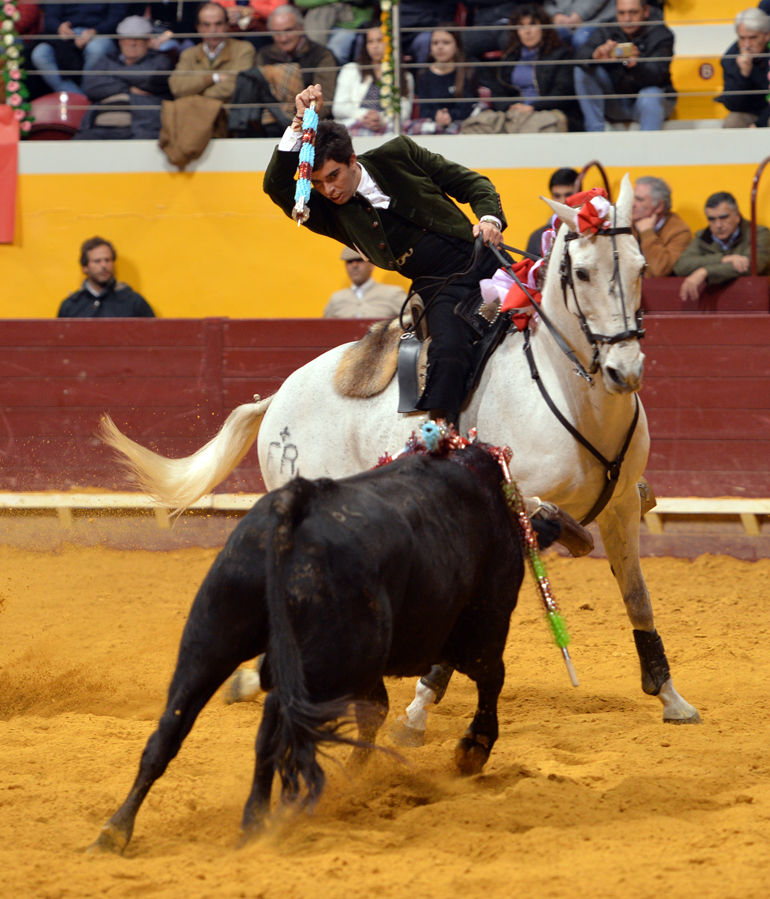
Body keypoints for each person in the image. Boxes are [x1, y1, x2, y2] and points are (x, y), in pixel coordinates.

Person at [264, 82, 508, 427]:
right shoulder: (325, 212)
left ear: (352, 160)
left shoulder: (399, 153)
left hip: (484, 256)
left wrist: (488, 219)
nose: (328, 189)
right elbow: (275, 185)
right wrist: (298, 125)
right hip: (438, 286)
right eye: (318, 183)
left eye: (333, 176)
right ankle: (444, 439)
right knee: (449, 353)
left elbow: (472, 184)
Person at [228, 5, 338, 135]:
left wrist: (298, 118)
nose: (283, 38)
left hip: (309, 127)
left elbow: (324, 101)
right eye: (277, 33)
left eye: (288, 31)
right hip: (268, 127)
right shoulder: (265, 54)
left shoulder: (321, 55)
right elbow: (258, 91)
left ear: (300, 27)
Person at [573, 0, 676, 132]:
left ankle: (649, 149)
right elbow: (579, 56)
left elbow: (657, 76)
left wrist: (636, 65)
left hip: (650, 100)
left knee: (651, 94)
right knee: (582, 71)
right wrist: (595, 55)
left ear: (646, 11)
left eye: (633, 12)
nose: (627, 19)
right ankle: (595, 134)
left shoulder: (661, 34)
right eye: (621, 13)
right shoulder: (607, 28)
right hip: (617, 100)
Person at [484, 4, 583, 133]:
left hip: (547, 113)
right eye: (521, 26)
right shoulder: (510, 56)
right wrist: (511, 107)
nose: (527, 31)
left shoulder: (560, 54)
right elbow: (498, 94)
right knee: (477, 124)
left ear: (544, 27)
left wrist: (531, 107)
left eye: (532, 24)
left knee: (531, 128)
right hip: (515, 113)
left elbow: (562, 94)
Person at [75, 16, 173, 140]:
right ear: (120, 41)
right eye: (127, 38)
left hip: (143, 127)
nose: (132, 43)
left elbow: (150, 78)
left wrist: (110, 74)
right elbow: (90, 86)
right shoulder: (106, 60)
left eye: (138, 39)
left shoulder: (159, 61)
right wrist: (130, 89)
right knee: (79, 143)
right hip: (99, 127)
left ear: (148, 41)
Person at [168, 2, 256, 136]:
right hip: (193, 125)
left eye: (218, 24)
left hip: (229, 124)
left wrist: (194, 97)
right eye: (207, 25)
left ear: (227, 25)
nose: (213, 30)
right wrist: (214, 78)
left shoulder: (244, 49)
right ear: (198, 28)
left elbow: (237, 85)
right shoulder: (189, 54)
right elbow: (176, 86)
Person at [673, 192, 770, 301]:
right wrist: (722, 259)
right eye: (712, 219)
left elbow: (752, 265)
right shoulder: (704, 237)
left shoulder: (758, 233)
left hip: (755, 301)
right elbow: (681, 266)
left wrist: (705, 272)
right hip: (715, 304)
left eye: (724, 217)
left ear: (737, 216)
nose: (718, 225)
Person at [331, 23, 414, 136]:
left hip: (387, 128)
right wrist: (364, 115)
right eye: (370, 41)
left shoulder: (404, 76)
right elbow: (338, 108)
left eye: (380, 40)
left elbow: (404, 113)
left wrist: (381, 118)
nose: (375, 46)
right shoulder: (351, 70)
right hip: (356, 125)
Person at [30, 2, 127, 96]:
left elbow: (116, 18)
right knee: (40, 54)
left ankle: (91, 92)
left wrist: (95, 31)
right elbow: (50, 18)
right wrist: (59, 27)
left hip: (100, 33)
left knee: (96, 49)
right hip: (67, 35)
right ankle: (80, 99)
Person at [58, 238, 155, 318]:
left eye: (108, 260)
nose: (104, 265)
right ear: (85, 268)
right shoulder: (71, 306)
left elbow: (154, 337)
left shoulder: (133, 302)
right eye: (97, 261)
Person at [407, 26, 473, 134]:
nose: (440, 47)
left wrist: (450, 115)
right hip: (432, 124)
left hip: (459, 123)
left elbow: (466, 107)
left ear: (457, 47)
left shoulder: (466, 73)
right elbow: (424, 109)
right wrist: (437, 116)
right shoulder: (423, 76)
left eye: (446, 43)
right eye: (435, 43)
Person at [716, 8, 770, 128]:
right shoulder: (731, 58)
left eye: (753, 38)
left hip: (767, 112)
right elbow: (732, 105)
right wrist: (743, 75)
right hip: (750, 112)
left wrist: (759, 124)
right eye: (742, 38)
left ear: (767, 36)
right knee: (732, 121)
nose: (746, 45)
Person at [632, 176, 692, 277]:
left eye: (639, 200)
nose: (632, 204)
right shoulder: (627, 223)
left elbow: (660, 271)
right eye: (632, 198)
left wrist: (647, 233)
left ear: (659, 206)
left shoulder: (679, 232)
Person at [324, 247, 408, 319]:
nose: (354, 265)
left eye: (360, 260)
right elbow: (324, 330)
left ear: (372, 264)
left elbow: (413, 321)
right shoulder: (336, 299)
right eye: (349, 262)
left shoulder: (392, 294)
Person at [294, 0, 375, 66]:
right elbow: (300, 1)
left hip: (350, 27)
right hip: (322, 25)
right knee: (313, 53)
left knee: (334, 54)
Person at [525, 167, 579, 256]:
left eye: (568, 195)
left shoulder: (591, 234)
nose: (562, 202)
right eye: (557, 196)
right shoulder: (538, 238)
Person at [543, 0, 616, 49]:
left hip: (597, 19)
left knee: (580, 40)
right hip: (562, 20)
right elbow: (546, 3)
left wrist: (578, 15)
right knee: (550, 37)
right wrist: (554, 14)